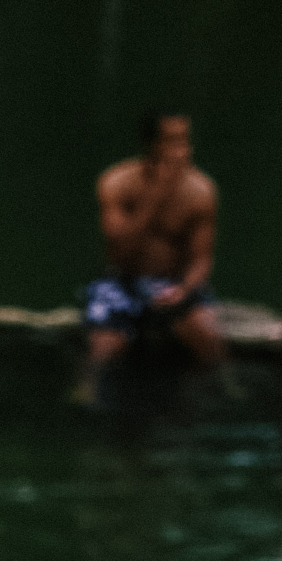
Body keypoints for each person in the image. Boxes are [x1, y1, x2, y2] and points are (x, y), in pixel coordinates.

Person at [84, 111, 223, 375]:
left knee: (210, 342)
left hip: (175, 284)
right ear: (152, 144)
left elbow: (202, 259)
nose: (182, 150)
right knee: (102, 351)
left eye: (185, 141)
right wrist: (156, 195)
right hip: (123, 280)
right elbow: (119, 250)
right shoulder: (116, 182)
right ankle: (85, 393)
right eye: (173, 141)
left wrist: (183, 290)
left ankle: (220, 396)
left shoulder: (201, 191)